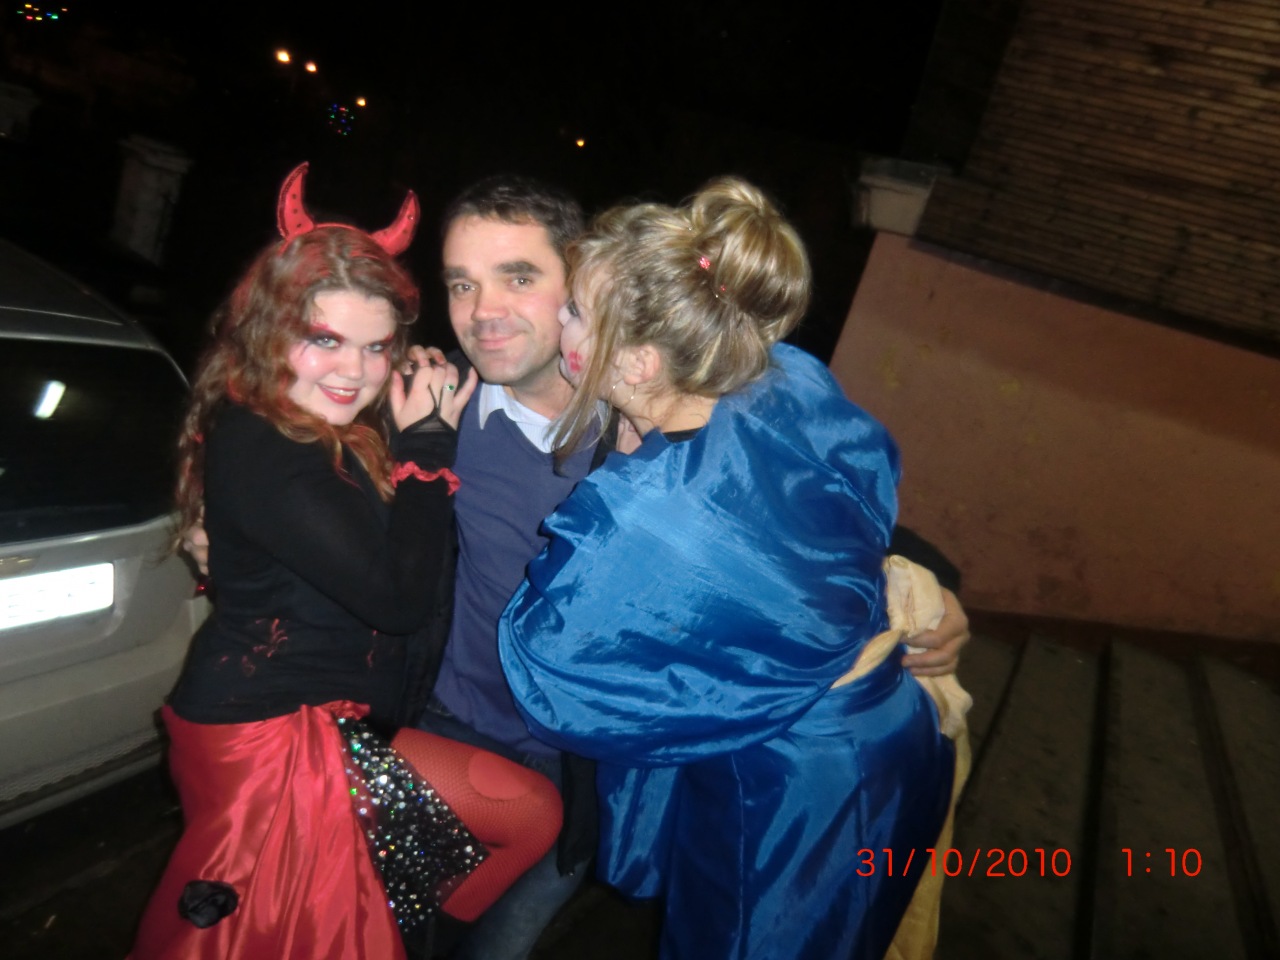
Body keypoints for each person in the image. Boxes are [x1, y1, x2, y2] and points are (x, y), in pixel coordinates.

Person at [183, 173, 972, 960]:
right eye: (462, 283)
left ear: (584, 288)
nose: (483, 311)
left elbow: (810, 501)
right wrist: (207, 518)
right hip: (442, 728)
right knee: (377, 934)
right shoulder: (423, 403)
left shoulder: (662, 406)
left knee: (500, 948)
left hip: (586, 770)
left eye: (519, 278)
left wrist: (924, 586)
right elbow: (280, 419)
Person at [498, 177, 955, 960]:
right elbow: (858, 496)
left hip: (796, 791)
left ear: (638, 361)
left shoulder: (642, 521)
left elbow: (548, 671)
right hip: (890, 726)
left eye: (573, 310)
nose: (555, 319)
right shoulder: (779, 377)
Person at [132, 165, 561, 960]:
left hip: (326, 723)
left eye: (374, 347)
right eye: (323, 339)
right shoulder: (263, 441)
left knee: (525, 820)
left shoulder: (319, 425)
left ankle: (412, 921)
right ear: (269, 330)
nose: (352, 371)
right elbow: (397, 596)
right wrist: (428, 455)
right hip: (267, 736)